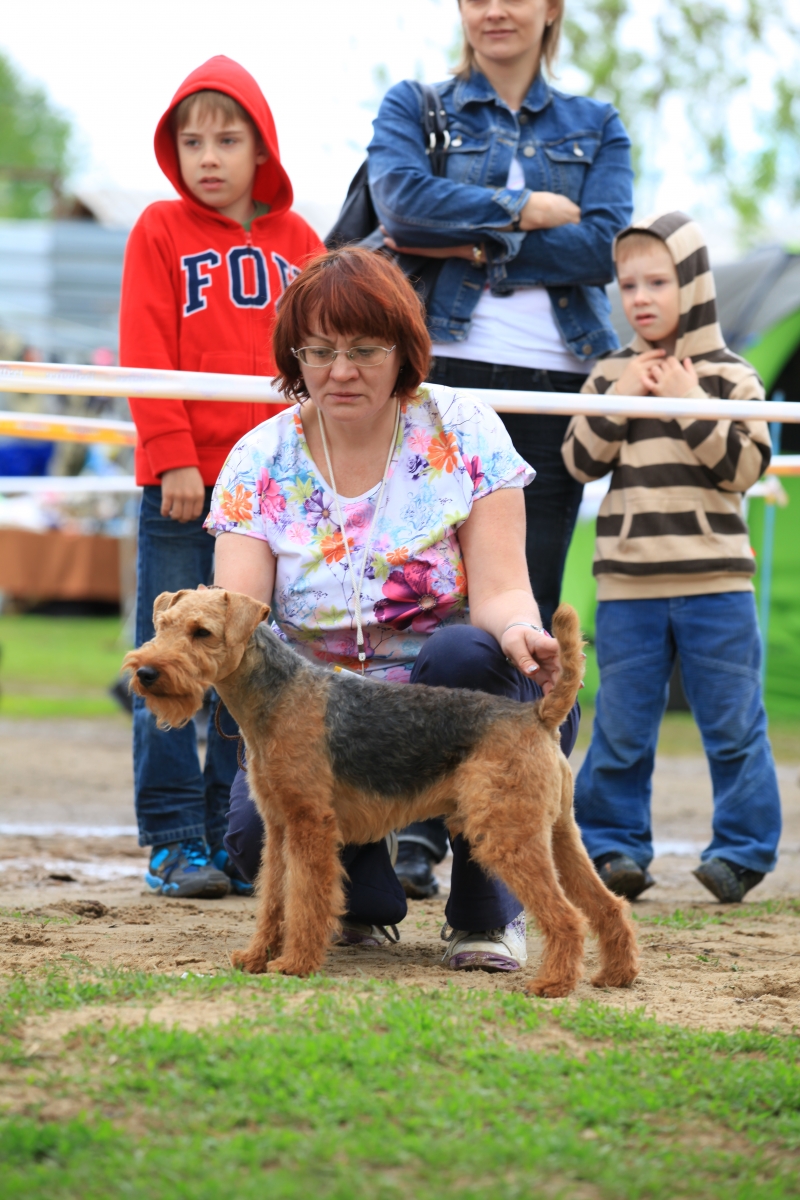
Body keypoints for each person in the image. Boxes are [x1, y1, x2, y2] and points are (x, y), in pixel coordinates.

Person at [206, 247, 580, 970]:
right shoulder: (258, 458)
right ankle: (367, 902)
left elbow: (503, 587)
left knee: (465, 650)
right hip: (321, 723)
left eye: (363, 350)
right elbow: (238, 620)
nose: (340, 370)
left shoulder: (465, 429)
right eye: (319, 351)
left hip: (452, 703)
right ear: (295, 354)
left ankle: (482, 915)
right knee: (258, 833)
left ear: (403, 350)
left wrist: (521, 631)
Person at [365, 0, 633, 896]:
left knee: (535, 624)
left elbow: (604, 246)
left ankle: (528, 842)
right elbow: (399, 202)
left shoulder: (597, 124)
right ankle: (419, 825)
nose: (494, 9)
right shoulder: (414, 104)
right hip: (440, 383)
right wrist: (525, 209)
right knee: (427, 607)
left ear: (551, 8)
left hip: (555, 394)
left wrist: (473, 239)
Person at [119, 56, 324, 899]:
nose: (209, 154)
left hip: (270, 499)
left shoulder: (301, 241)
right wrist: (169, 450)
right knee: (167, 661)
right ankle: (173, 838)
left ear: (260, 147)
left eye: (227, 138)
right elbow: (144, 343)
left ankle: (231, 835)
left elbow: (321, 357)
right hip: (185, 484)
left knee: (250, 665)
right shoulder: (160, 229)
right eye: (191, 140)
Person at [562, 211, 781, 905]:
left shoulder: (733, 377)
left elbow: (744, 469)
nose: (642, 296)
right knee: (622, 729)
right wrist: (624, 396)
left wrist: (689, 403)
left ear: (693, 284)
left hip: (718, 586)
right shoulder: (609, 375)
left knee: (733, 726)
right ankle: (615, 847)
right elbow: (578, 461)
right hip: (628, 588)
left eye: (659, 280)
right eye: (628, 284)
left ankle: (741, 853)